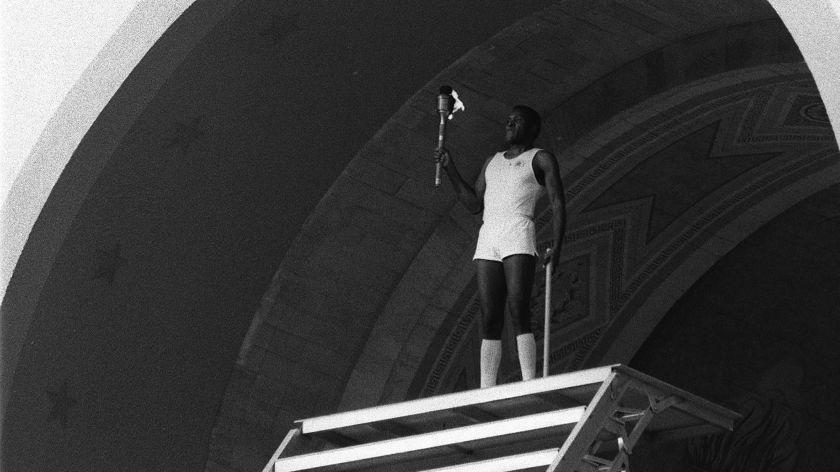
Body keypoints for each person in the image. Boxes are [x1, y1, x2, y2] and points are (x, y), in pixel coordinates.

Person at [436, 105, 566, 387]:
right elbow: (473, 204)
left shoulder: (540, 158)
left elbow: (557, 202)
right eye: (507, 120)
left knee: (518, 307)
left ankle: (529, 381)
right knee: (489, 313)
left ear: (531, 128)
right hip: (489, 235)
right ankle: (486, 387)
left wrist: (558, 245)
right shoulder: (491, 161)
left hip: (518, 229)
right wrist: (450, 168)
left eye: (516, 121)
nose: (509, 123)